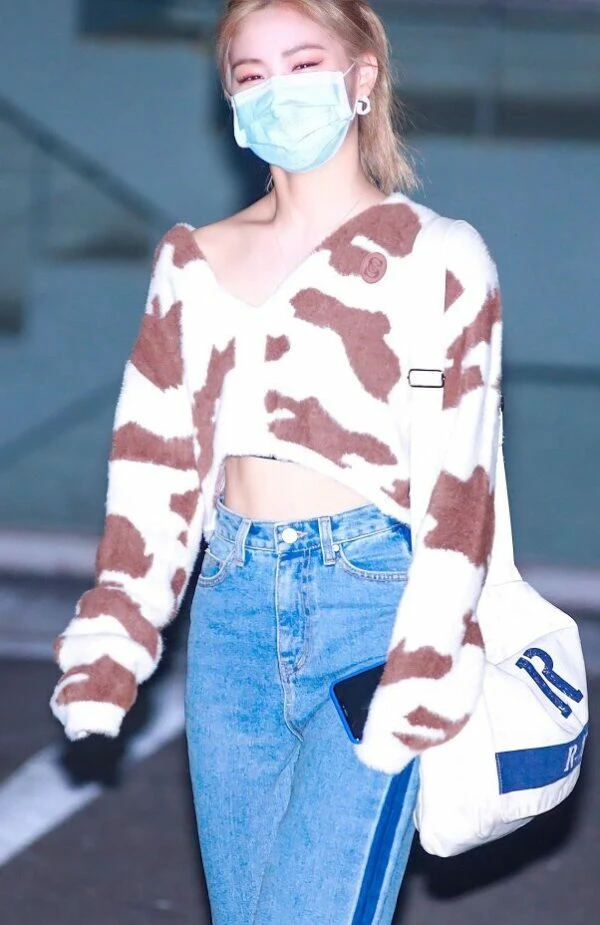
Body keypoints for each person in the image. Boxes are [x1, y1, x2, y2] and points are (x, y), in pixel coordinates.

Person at [50, 1, 503, 922]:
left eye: (302, 65)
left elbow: (461, 488)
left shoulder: (440, 259)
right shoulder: (194, 262)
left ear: (362, 76)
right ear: (229, 99)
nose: (276, 92)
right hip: (230, 616)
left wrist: (428, 658)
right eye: (251, 75)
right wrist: (117, 635)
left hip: (373, 610)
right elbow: (155, 467)